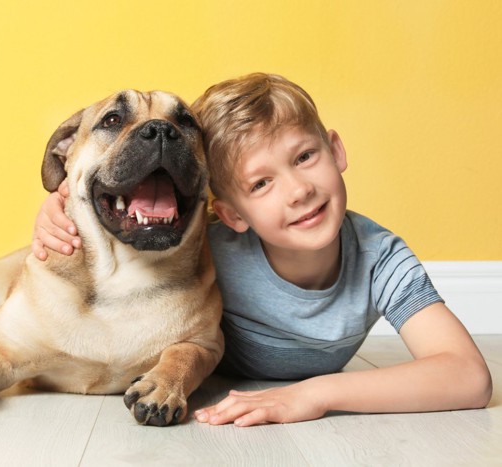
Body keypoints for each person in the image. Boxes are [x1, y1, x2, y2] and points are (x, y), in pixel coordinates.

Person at [31, 73, 492, 427]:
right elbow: (117, 225)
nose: (297, 191)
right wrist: (57, 210)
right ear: (231, 213)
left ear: (336, 150)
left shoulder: (381, 260)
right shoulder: (208, 244)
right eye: (261, 183)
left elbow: (468, 377)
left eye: (305, 157)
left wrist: (315, 395)